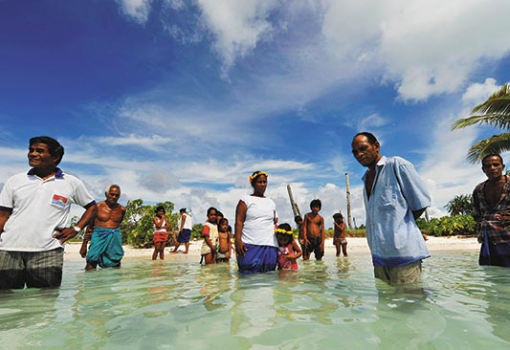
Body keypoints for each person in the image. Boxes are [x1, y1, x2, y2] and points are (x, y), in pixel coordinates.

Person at [0, 136, 97, 289]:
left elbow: (92, 207)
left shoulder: (71, 183)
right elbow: (3, 216)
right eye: (31, 150)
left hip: (48, 251)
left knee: (45, 302)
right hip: (9, 250)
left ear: (55, 157)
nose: (32, 154)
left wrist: (76, 229)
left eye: (39, 151)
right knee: (6, 301)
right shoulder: (15, 181)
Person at [351, 132, 431, 285]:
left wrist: (400, 228)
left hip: (404, 255)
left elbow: (420, 203)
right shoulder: (366, 178)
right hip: (379, 258)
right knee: (385, 306)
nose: (359, 154)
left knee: (410, 305)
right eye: (355, 152)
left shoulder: (396, 165)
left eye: (363, 148)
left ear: (376, 146)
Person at [235, 170, 279, 274]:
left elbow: (274, 223)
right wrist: (238, 241)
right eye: (260, 182)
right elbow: (239, 221)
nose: (263, 184)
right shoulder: (245, 200)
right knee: (247, 277)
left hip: (270, 245)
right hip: (250, 244)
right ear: (253, 183)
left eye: (265, 182)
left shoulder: (271, 202)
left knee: (269, 279)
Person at [472, 154, 510, 267]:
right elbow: (476, 213)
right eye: (488, 166)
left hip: (508, 239)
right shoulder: (479, 189)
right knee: (492, 277)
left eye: (496, 165)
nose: (492, 168)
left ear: (502, 167)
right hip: (488, 241)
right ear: (484, 170)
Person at [80, 184, 126, 270]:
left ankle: (116, 283)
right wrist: (84, 245)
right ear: (106, 194)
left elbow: (118, 224)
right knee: (91, 262)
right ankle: (89, 282)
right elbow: (90, 227)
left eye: (117, 195)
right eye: (112, 194)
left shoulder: (122, 209)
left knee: (115, 262)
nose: (114, 197)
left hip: (114, 237)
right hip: (98, 236)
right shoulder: (97, 207)